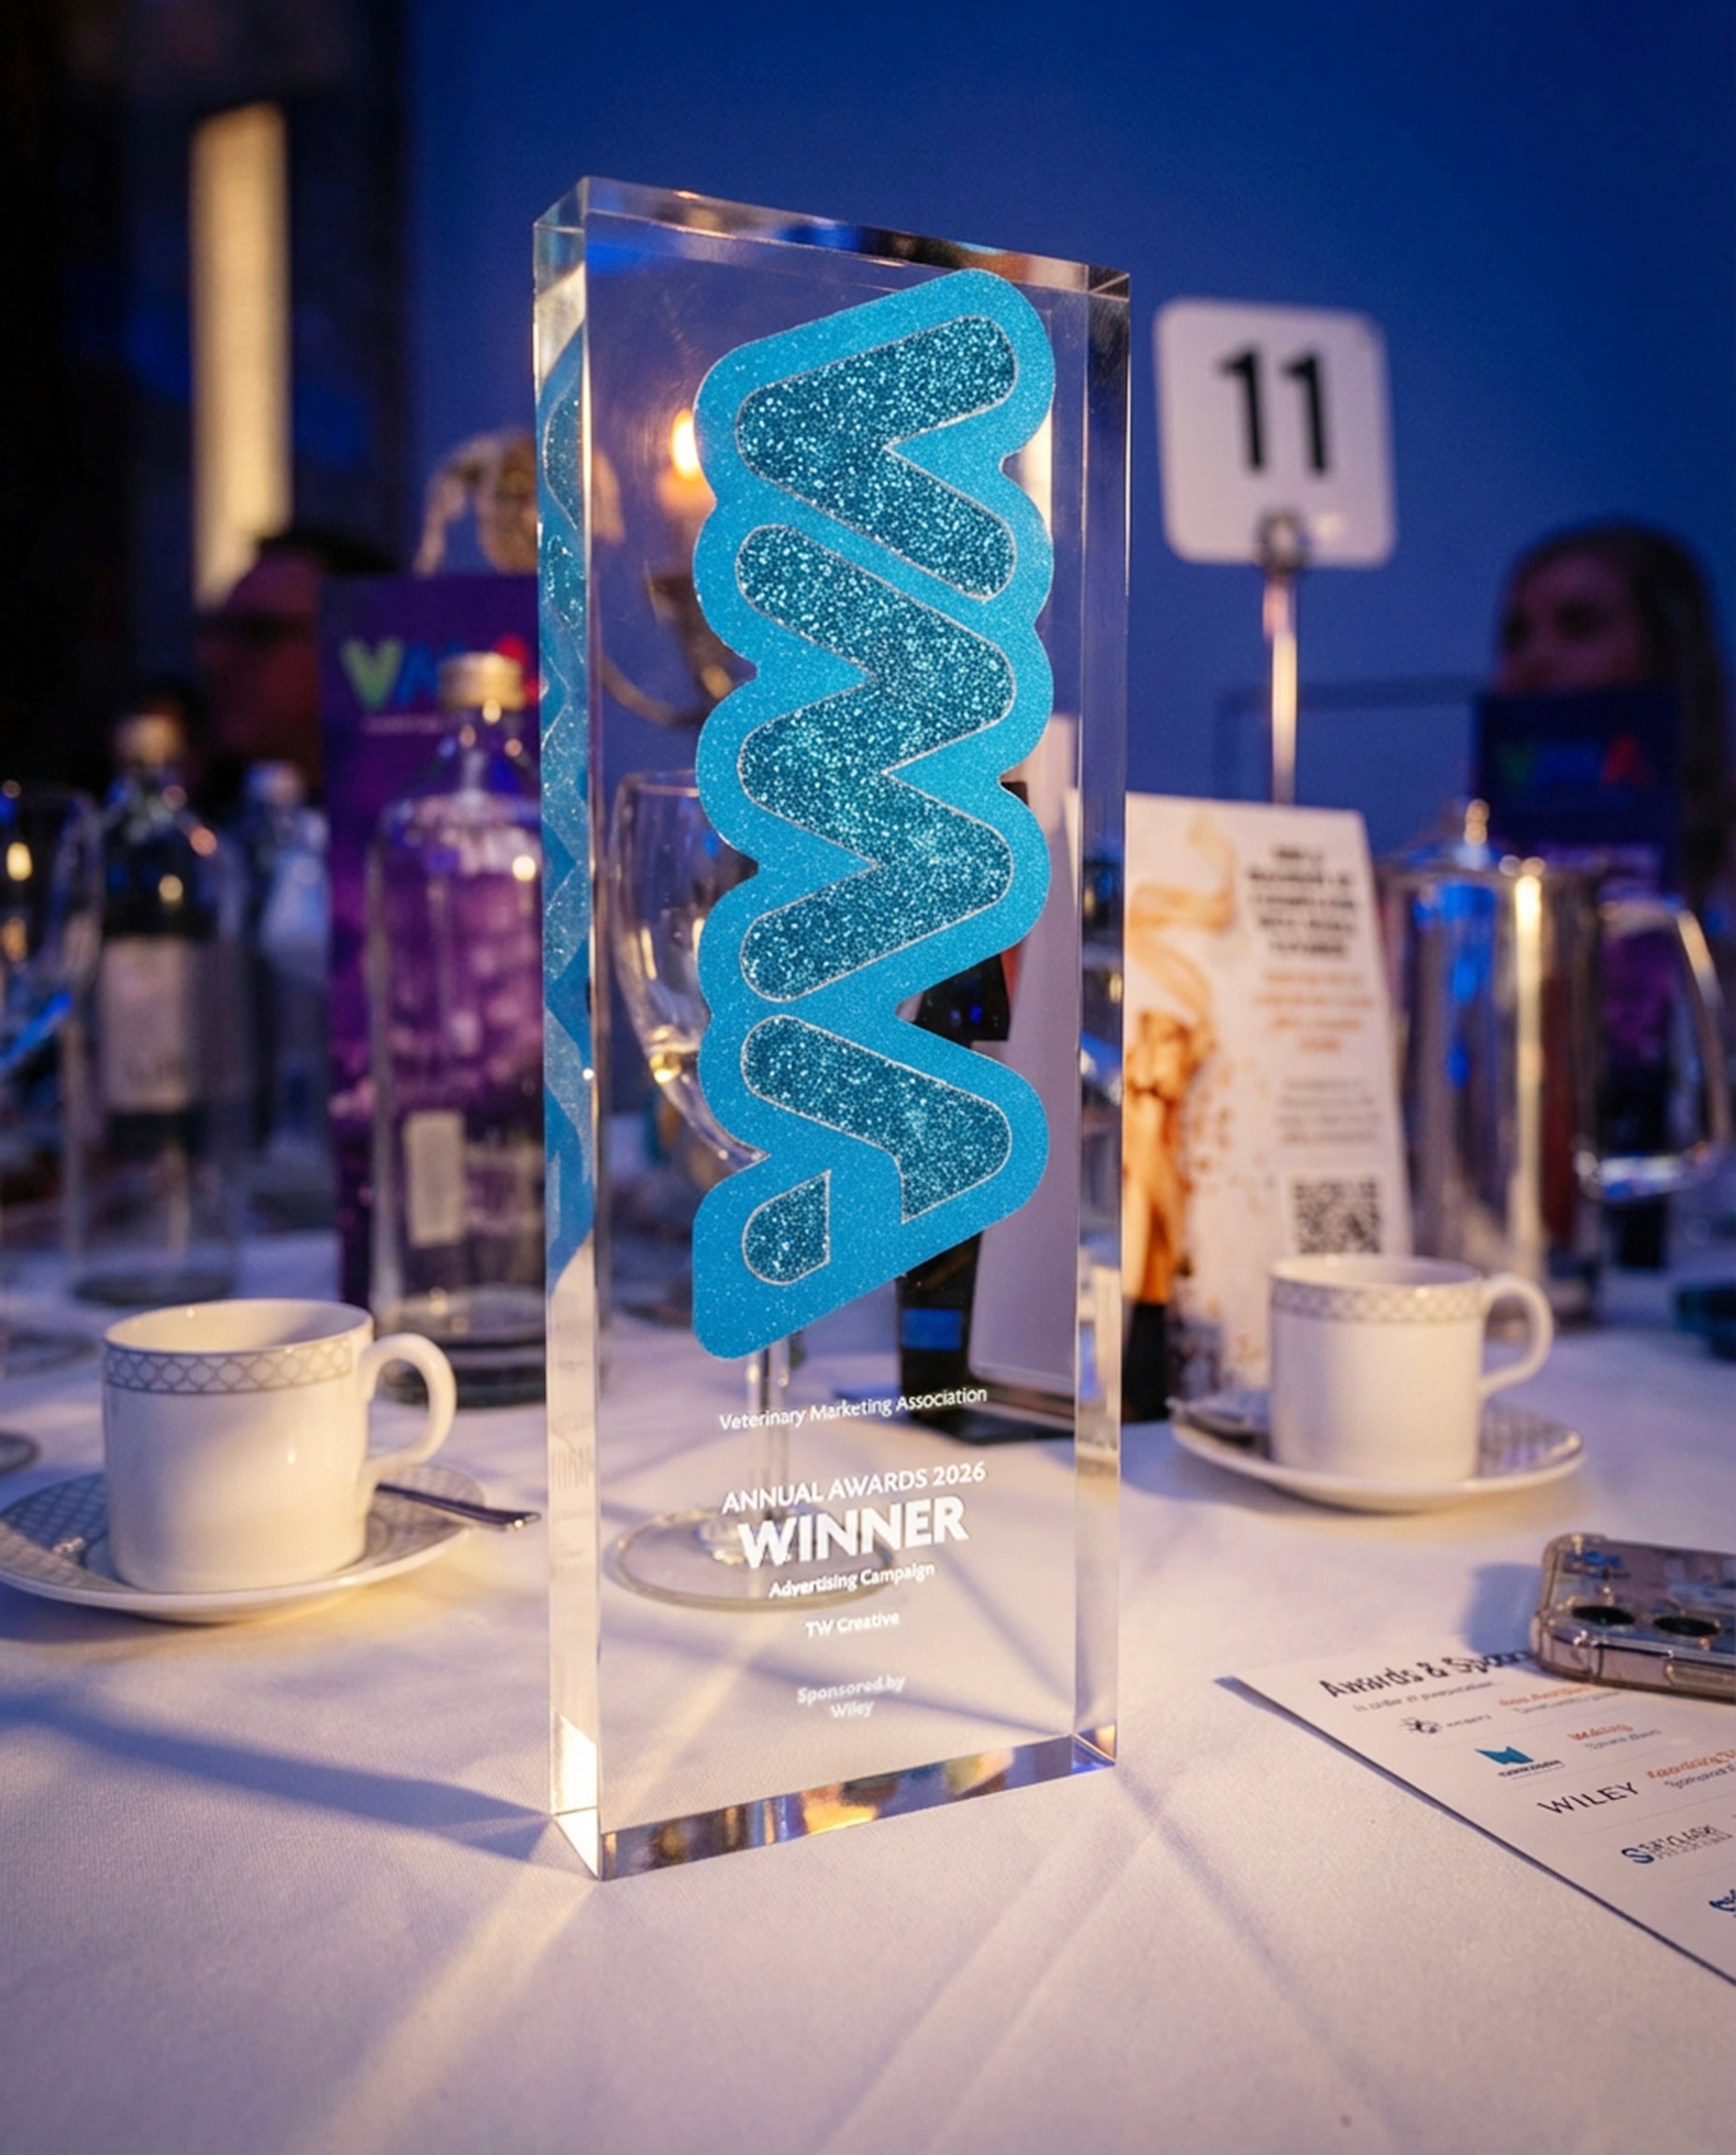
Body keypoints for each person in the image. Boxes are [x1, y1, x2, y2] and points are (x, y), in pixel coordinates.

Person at [1495, 523, 1735, 1262]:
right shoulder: (1474, 865)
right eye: (1516, 633)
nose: (1536, 659)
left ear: (1665, 648)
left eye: (1579, 625)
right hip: (1533, 1235)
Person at [196, 525, 394, 804]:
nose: (214, 657)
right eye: (218, 630)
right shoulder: (197, 834)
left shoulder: (421, 832)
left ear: (359, 650)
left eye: (257, 631)